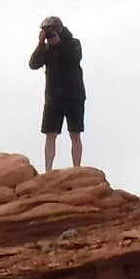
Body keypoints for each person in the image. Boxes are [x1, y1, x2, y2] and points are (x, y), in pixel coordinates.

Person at [29, 15, 85, 170]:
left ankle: (76, 169)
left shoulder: (73, 43)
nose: (49, 34)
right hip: (53, 98)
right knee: (50, 135)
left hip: (74, 96)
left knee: (75, 134)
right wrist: (40, 43)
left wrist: (59, 44)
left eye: (50, 30)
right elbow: (33, 64)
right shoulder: (46, 49)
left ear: (59, 29)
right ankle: (48, 171)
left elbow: (75, 58)